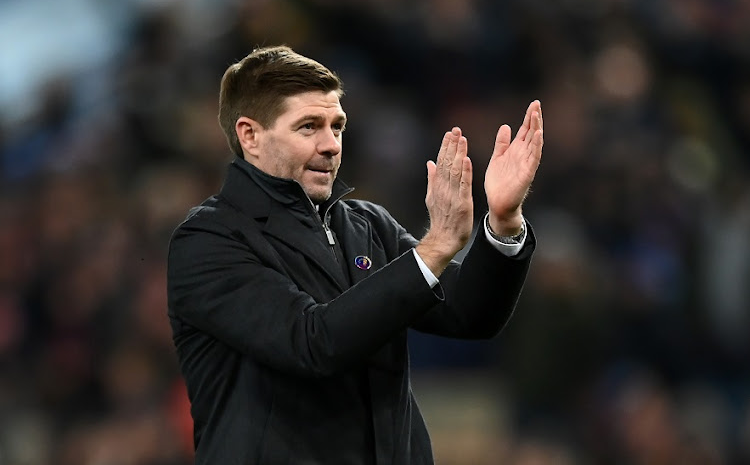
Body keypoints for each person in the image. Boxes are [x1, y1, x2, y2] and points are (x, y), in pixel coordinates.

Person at [167, 45, 543, 465]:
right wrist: (435, 248)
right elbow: (311, 343)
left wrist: (504, 222)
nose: (331, 145)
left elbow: (468, 314)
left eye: (337, 126)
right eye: (308, 127)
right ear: (250, 135)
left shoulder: (366, 224)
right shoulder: (209, 239)